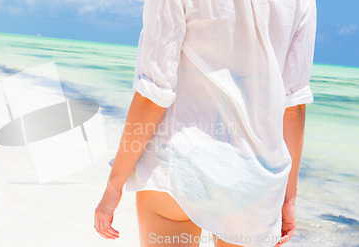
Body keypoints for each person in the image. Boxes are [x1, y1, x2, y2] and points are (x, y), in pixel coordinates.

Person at [94, 0, 316, 246]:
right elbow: (293, 106)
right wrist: (289, 199)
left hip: (177, 166)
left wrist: (114, 185)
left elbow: (154, 94)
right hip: (253, 179)